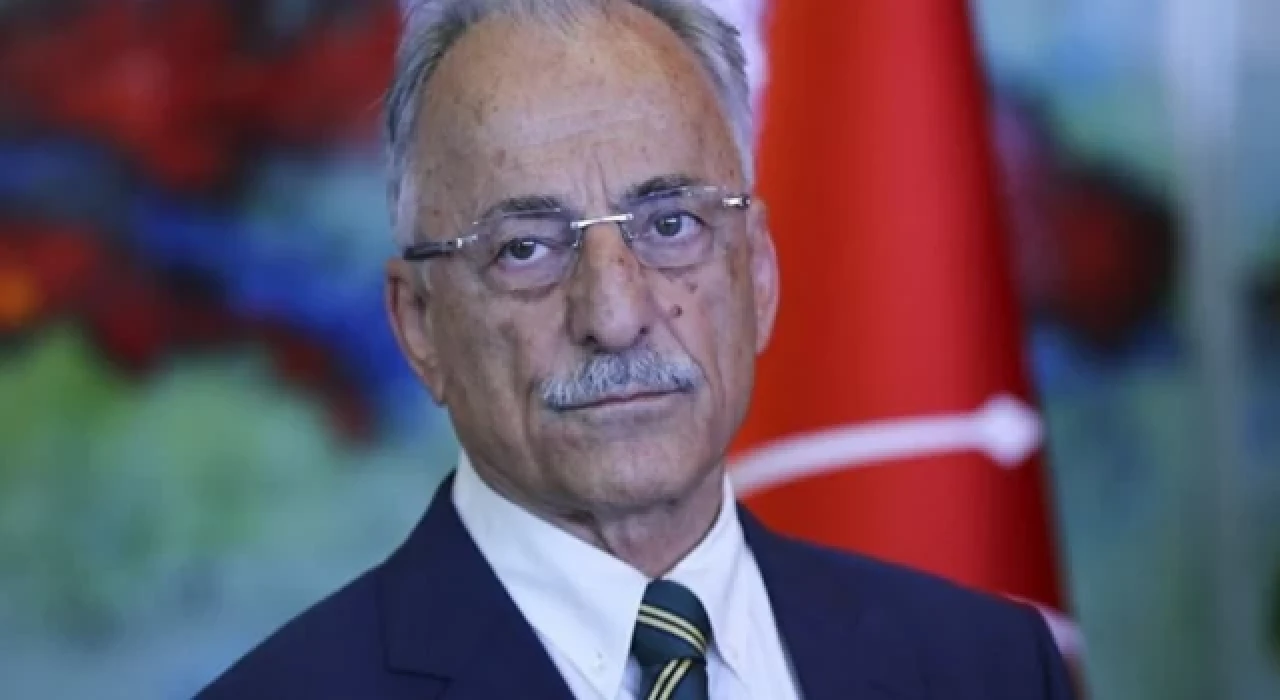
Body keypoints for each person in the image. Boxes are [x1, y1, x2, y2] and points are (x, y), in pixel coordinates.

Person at [199, 1, 1075, 697]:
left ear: (758, 274)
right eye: (525, 247)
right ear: (419, 324)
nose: (615, 315)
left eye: (671, 224)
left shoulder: (988, 668)